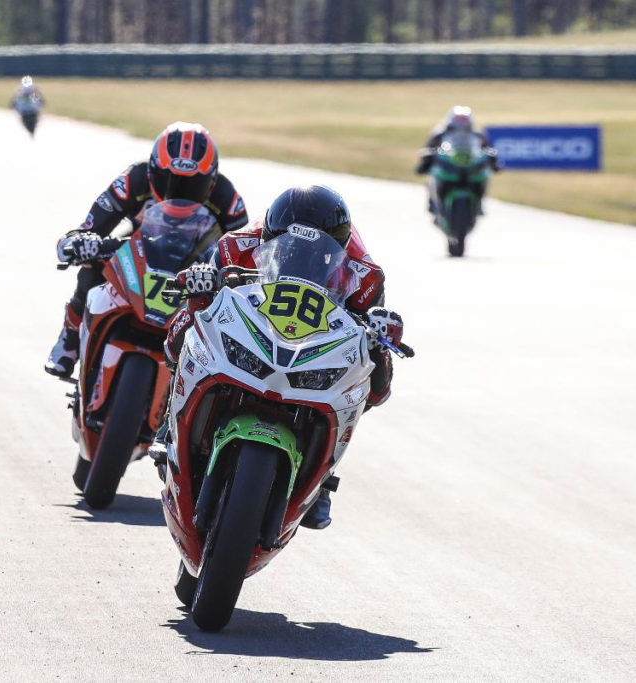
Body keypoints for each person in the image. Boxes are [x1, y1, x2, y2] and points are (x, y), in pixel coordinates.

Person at [158, 184, 404, 530]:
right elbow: (206, 294)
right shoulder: (235, 246)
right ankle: (171, 418)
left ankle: (321, 481)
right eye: (289, 248)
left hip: (312, 342)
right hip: (256, 323)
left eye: (316, 253)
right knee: (182, 333)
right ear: (268, 235)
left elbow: (372, 354)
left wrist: (381, 337)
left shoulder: (364, 275)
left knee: (371, 388)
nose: (300, 257)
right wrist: (200, 285)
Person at [45, 121, 248, 378]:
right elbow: (89, 227)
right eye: (170, 182)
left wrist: (225, 276)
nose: (179, 192)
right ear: (153, 172)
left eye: (192, 185)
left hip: (195, 260)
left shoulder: (228, 198)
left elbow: (241, 251)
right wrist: (81, 243)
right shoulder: (133, 180)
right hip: (143, 246)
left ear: (211, 181)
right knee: (93, 267)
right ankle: (70, 339)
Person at [414, 105, 500, 213]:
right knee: (432, 175)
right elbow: (429, 148)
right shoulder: (440, 133)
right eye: (458, 119)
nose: (461, 122)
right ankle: (433, 202)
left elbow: (487, 149)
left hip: (470, 167)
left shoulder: (477, 134)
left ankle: (479, 203)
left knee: (485, 176)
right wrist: (426, 159)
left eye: (463, 119)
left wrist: (493, 160)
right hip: (447, 166)